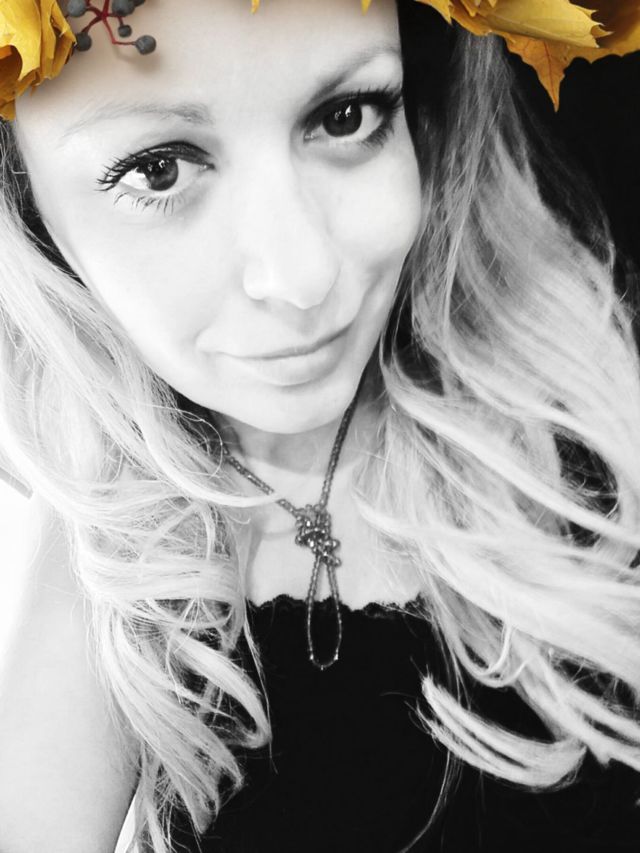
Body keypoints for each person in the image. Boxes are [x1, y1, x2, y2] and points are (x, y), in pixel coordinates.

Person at [0, 0, 639, 851]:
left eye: (347, 117)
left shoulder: (599, 408)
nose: (302, 276)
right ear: (26, 207)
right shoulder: (107, 565)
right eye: (158, 169)